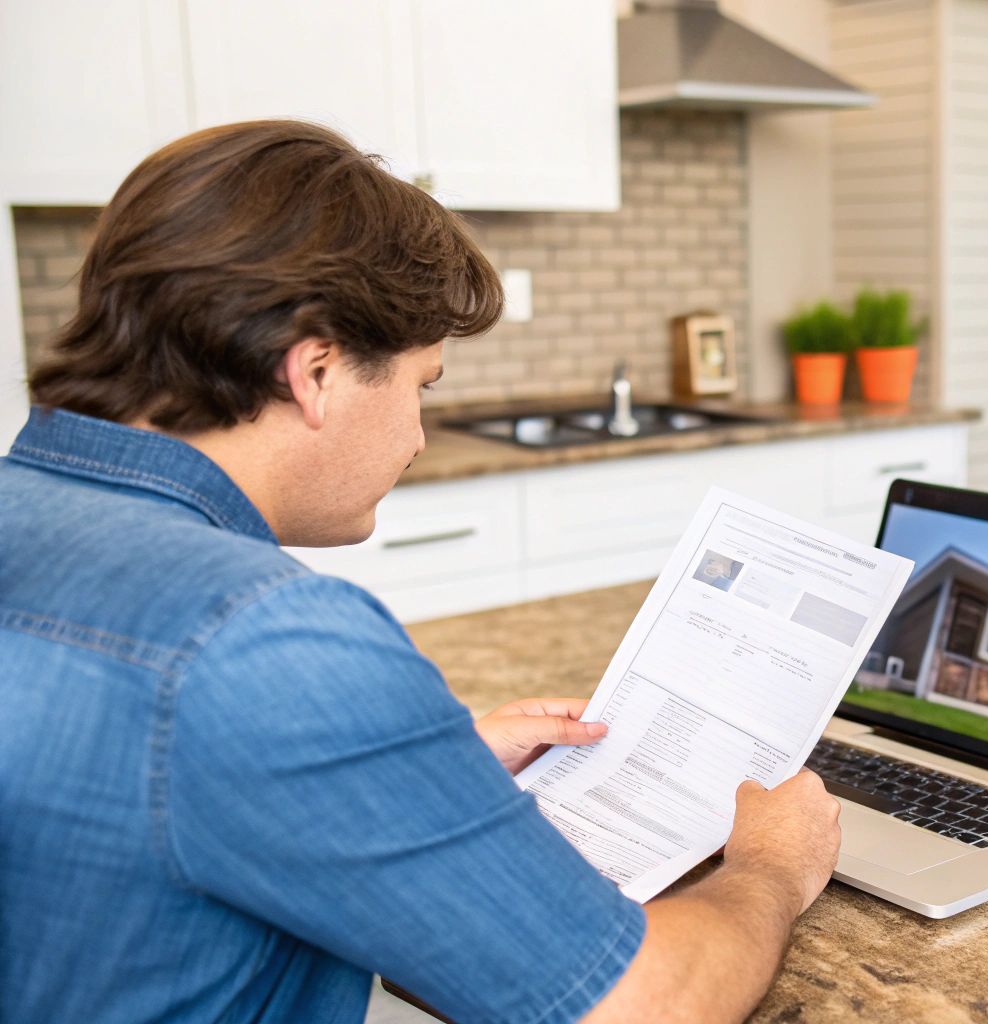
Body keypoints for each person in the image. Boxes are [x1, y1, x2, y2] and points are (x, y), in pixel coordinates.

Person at [0, 120, 841, 1024]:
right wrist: (770, 866)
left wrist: (400, 773)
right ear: (315, 371)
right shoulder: (264, 640)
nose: (417, 436)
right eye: (421, 385)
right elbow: (638, 1005)